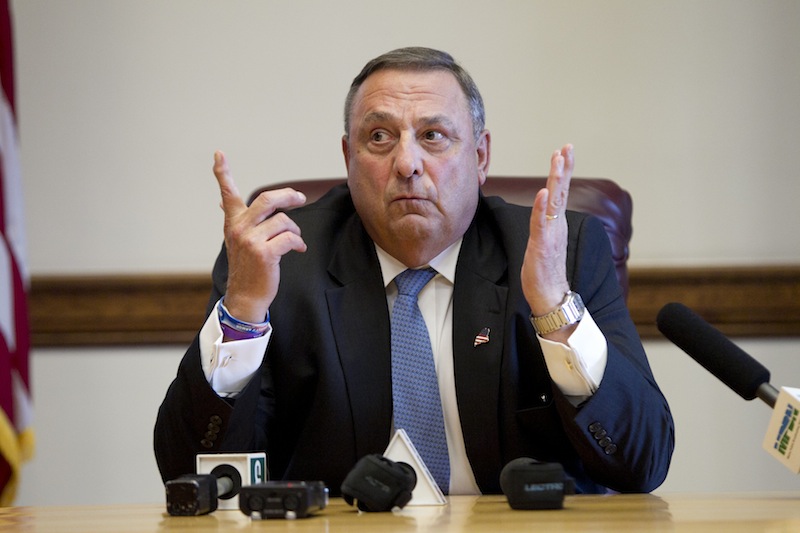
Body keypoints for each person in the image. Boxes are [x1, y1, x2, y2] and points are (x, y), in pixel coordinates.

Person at [154, 47, 674, 495]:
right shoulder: (282, 263)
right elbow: (188, 472)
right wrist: (242, 313)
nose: (406, 163)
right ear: (348, 157)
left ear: (480, 155)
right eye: (379, 136)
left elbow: (642, 462)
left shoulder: (559, 252)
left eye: (433, 136)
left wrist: (555, 309)